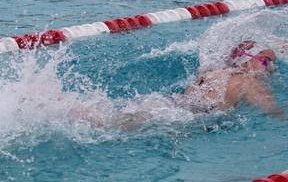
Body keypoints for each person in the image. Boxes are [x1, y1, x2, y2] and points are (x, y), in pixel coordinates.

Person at [73, 40, 287, 130]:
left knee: (117, 117)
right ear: (247, 60)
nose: (270, 69)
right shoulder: (247, 82)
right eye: (266, 62)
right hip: (187, 114)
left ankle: (75, 109)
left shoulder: (211, 72)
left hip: (171, 102)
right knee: (110, 128)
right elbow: (274, 111)